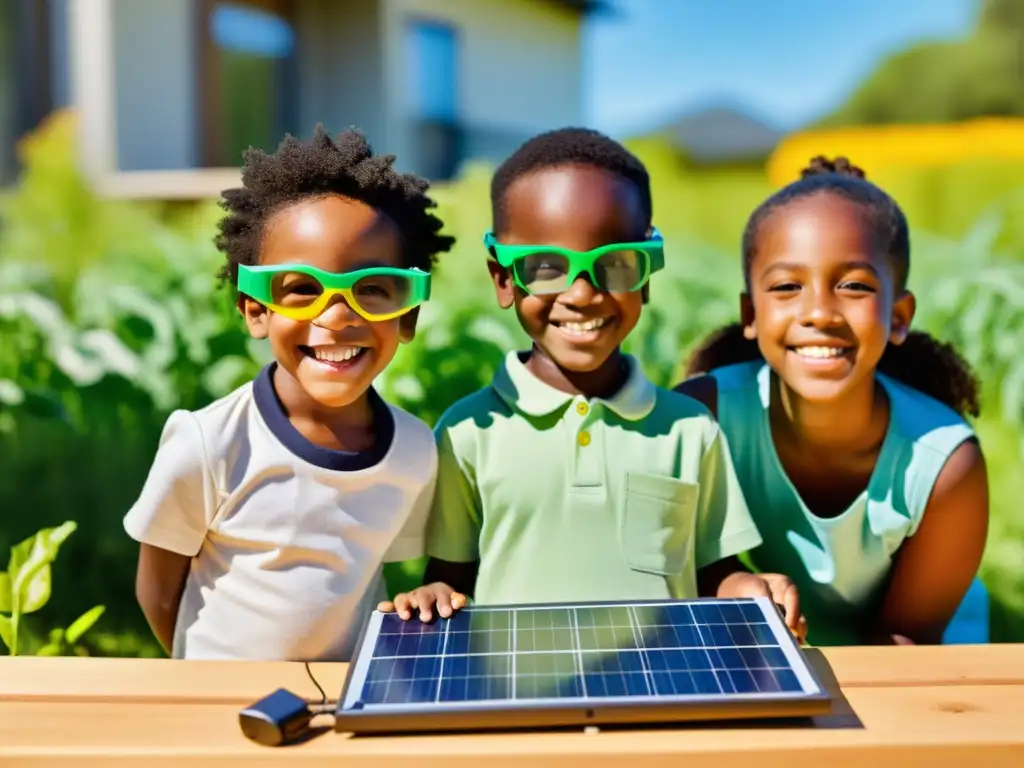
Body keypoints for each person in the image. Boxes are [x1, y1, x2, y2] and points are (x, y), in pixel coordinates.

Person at [381, 128, 805, 636]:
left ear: (646, 275)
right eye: (544, 268)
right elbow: (451, 579)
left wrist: (750, 589)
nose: (581, 294)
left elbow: (714, 572)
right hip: (521, 698)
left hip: (662, 693)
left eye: (615, 265)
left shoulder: (690, 431)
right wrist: (432, 595)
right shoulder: (468, 432)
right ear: (502, 278)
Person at [123, 126, 454, 661]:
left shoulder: (415, 451)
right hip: (219, 710)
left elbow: (370, 580)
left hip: (343, 708)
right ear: (256, 310)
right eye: (302, 289)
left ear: (408, 312)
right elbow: (158, 594)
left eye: (372, 288)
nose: (337, 317)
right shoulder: (207, 443)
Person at [675, 156, 989, 646]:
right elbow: (682, 562)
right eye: (786, 287)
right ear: (750, 313)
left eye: (854, 286)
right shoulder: (701, 418)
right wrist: (731, 582)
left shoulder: (947, 465)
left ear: (899, 315)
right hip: (785, 645)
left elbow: (907, 640)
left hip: (920, 651)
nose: (819, 312)